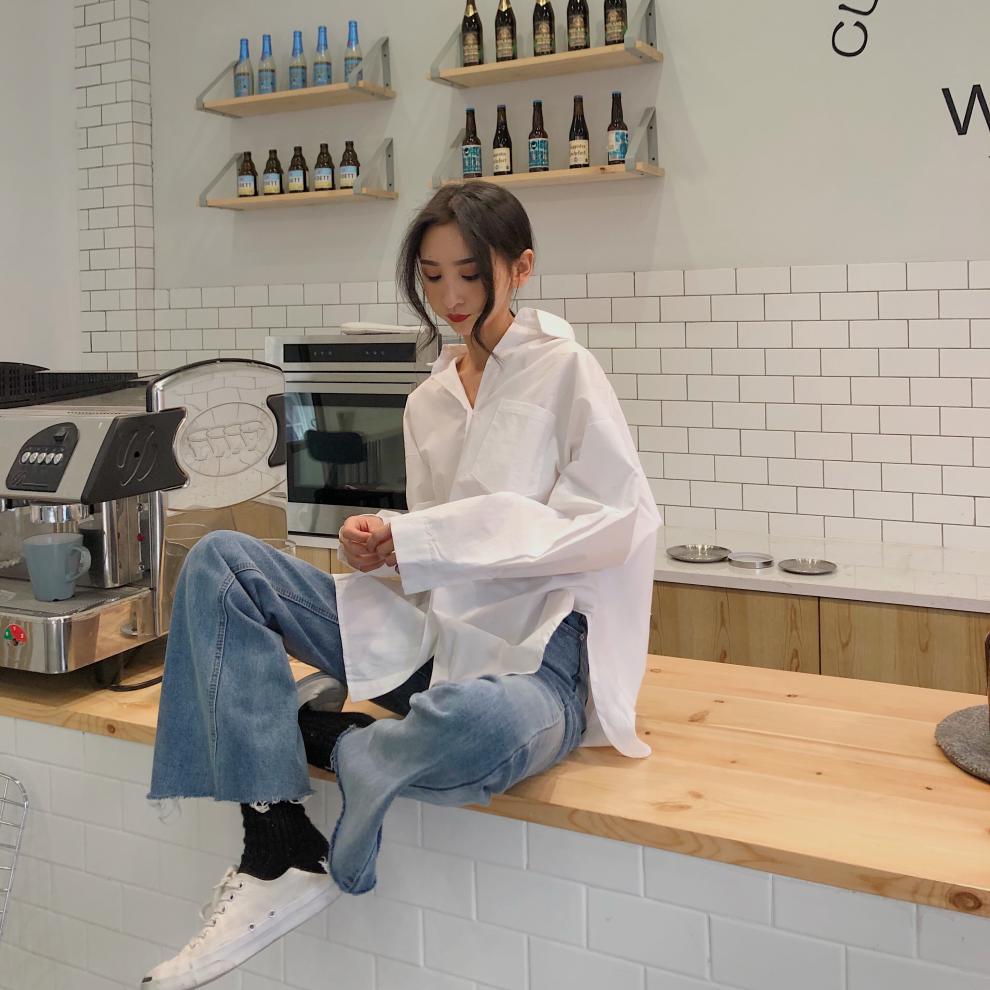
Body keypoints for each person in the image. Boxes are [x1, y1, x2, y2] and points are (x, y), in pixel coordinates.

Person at [142, 182, 661, 990]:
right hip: (434, 641)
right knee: (220, 561)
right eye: (431, 276)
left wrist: (422, 539)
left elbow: (613, 522)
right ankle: (278, 844)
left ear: (521, 268)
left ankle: (336, 740)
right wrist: (381, 547)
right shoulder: (428, 400)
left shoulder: (566, 371)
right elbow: (433, 549)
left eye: (471, 274)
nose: (450, 297)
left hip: (540, 659)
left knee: (480, 727)